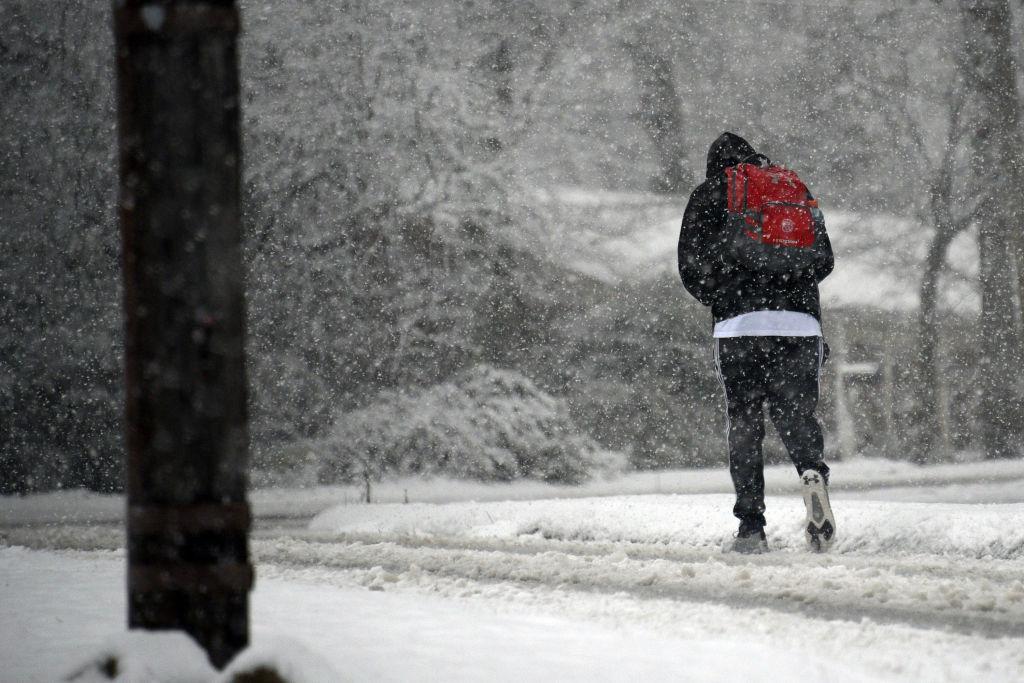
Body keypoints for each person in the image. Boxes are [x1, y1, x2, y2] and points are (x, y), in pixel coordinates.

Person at [677, 132, 836, 553]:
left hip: (739, 327)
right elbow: (824, 259)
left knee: (745, 422)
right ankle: (812, 472)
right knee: (796, 413)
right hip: (801, 325)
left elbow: (690, 267)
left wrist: (729, 294)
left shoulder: (711, 192)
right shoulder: (789, 188)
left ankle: (751, 526)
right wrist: (789, 291)